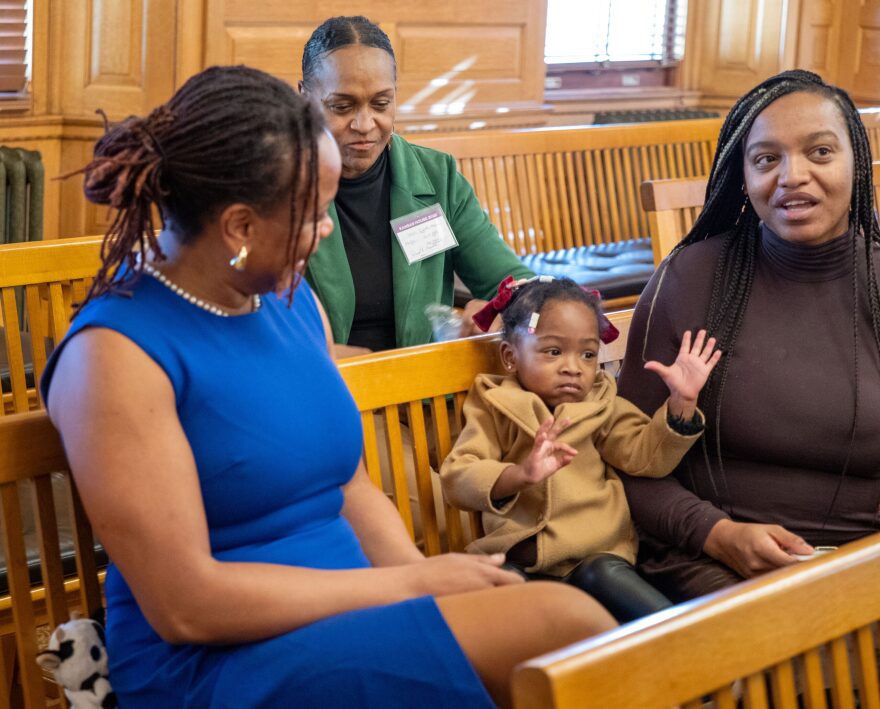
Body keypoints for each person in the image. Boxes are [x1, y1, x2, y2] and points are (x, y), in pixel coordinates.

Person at [41, 65, 617, 709]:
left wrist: (423, 582)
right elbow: (188, 607)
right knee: (568, 627)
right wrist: (405, 588)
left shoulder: (287, 300)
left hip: (347, 607)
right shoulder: (114, 357)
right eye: (313, 216)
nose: (324, 234)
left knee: (572, 638)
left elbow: (350, 486)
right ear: (238, 227)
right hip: (218, 659)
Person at [617, 69, 880, 602]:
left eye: (820, 153)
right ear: (742, 175)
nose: (792, 176)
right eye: (766, 159)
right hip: (713, 559)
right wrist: (717, 534)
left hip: (863, 564)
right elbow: (623, 457)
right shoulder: (689, 278)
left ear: (857, 162)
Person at [439, 277, 721, 622]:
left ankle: (687, 641)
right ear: (511, 357)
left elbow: (644, 456)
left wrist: (682, 404)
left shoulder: (601, 402)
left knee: (617, 584)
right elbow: (458, 474)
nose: (573, 367)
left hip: (597, 555)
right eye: (553, 351)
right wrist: (518, 475)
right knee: (497, 592)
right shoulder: (493, 404)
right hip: (523, 561)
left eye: (588, 354)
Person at [299, 15, 533, 356]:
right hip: (326, 386)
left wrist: (500, 313)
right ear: (304, 98)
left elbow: (515, 284)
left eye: (381, 104)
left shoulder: (438, 176)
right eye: (342, 106)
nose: (365, 124)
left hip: (425, 394)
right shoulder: (278, 184)